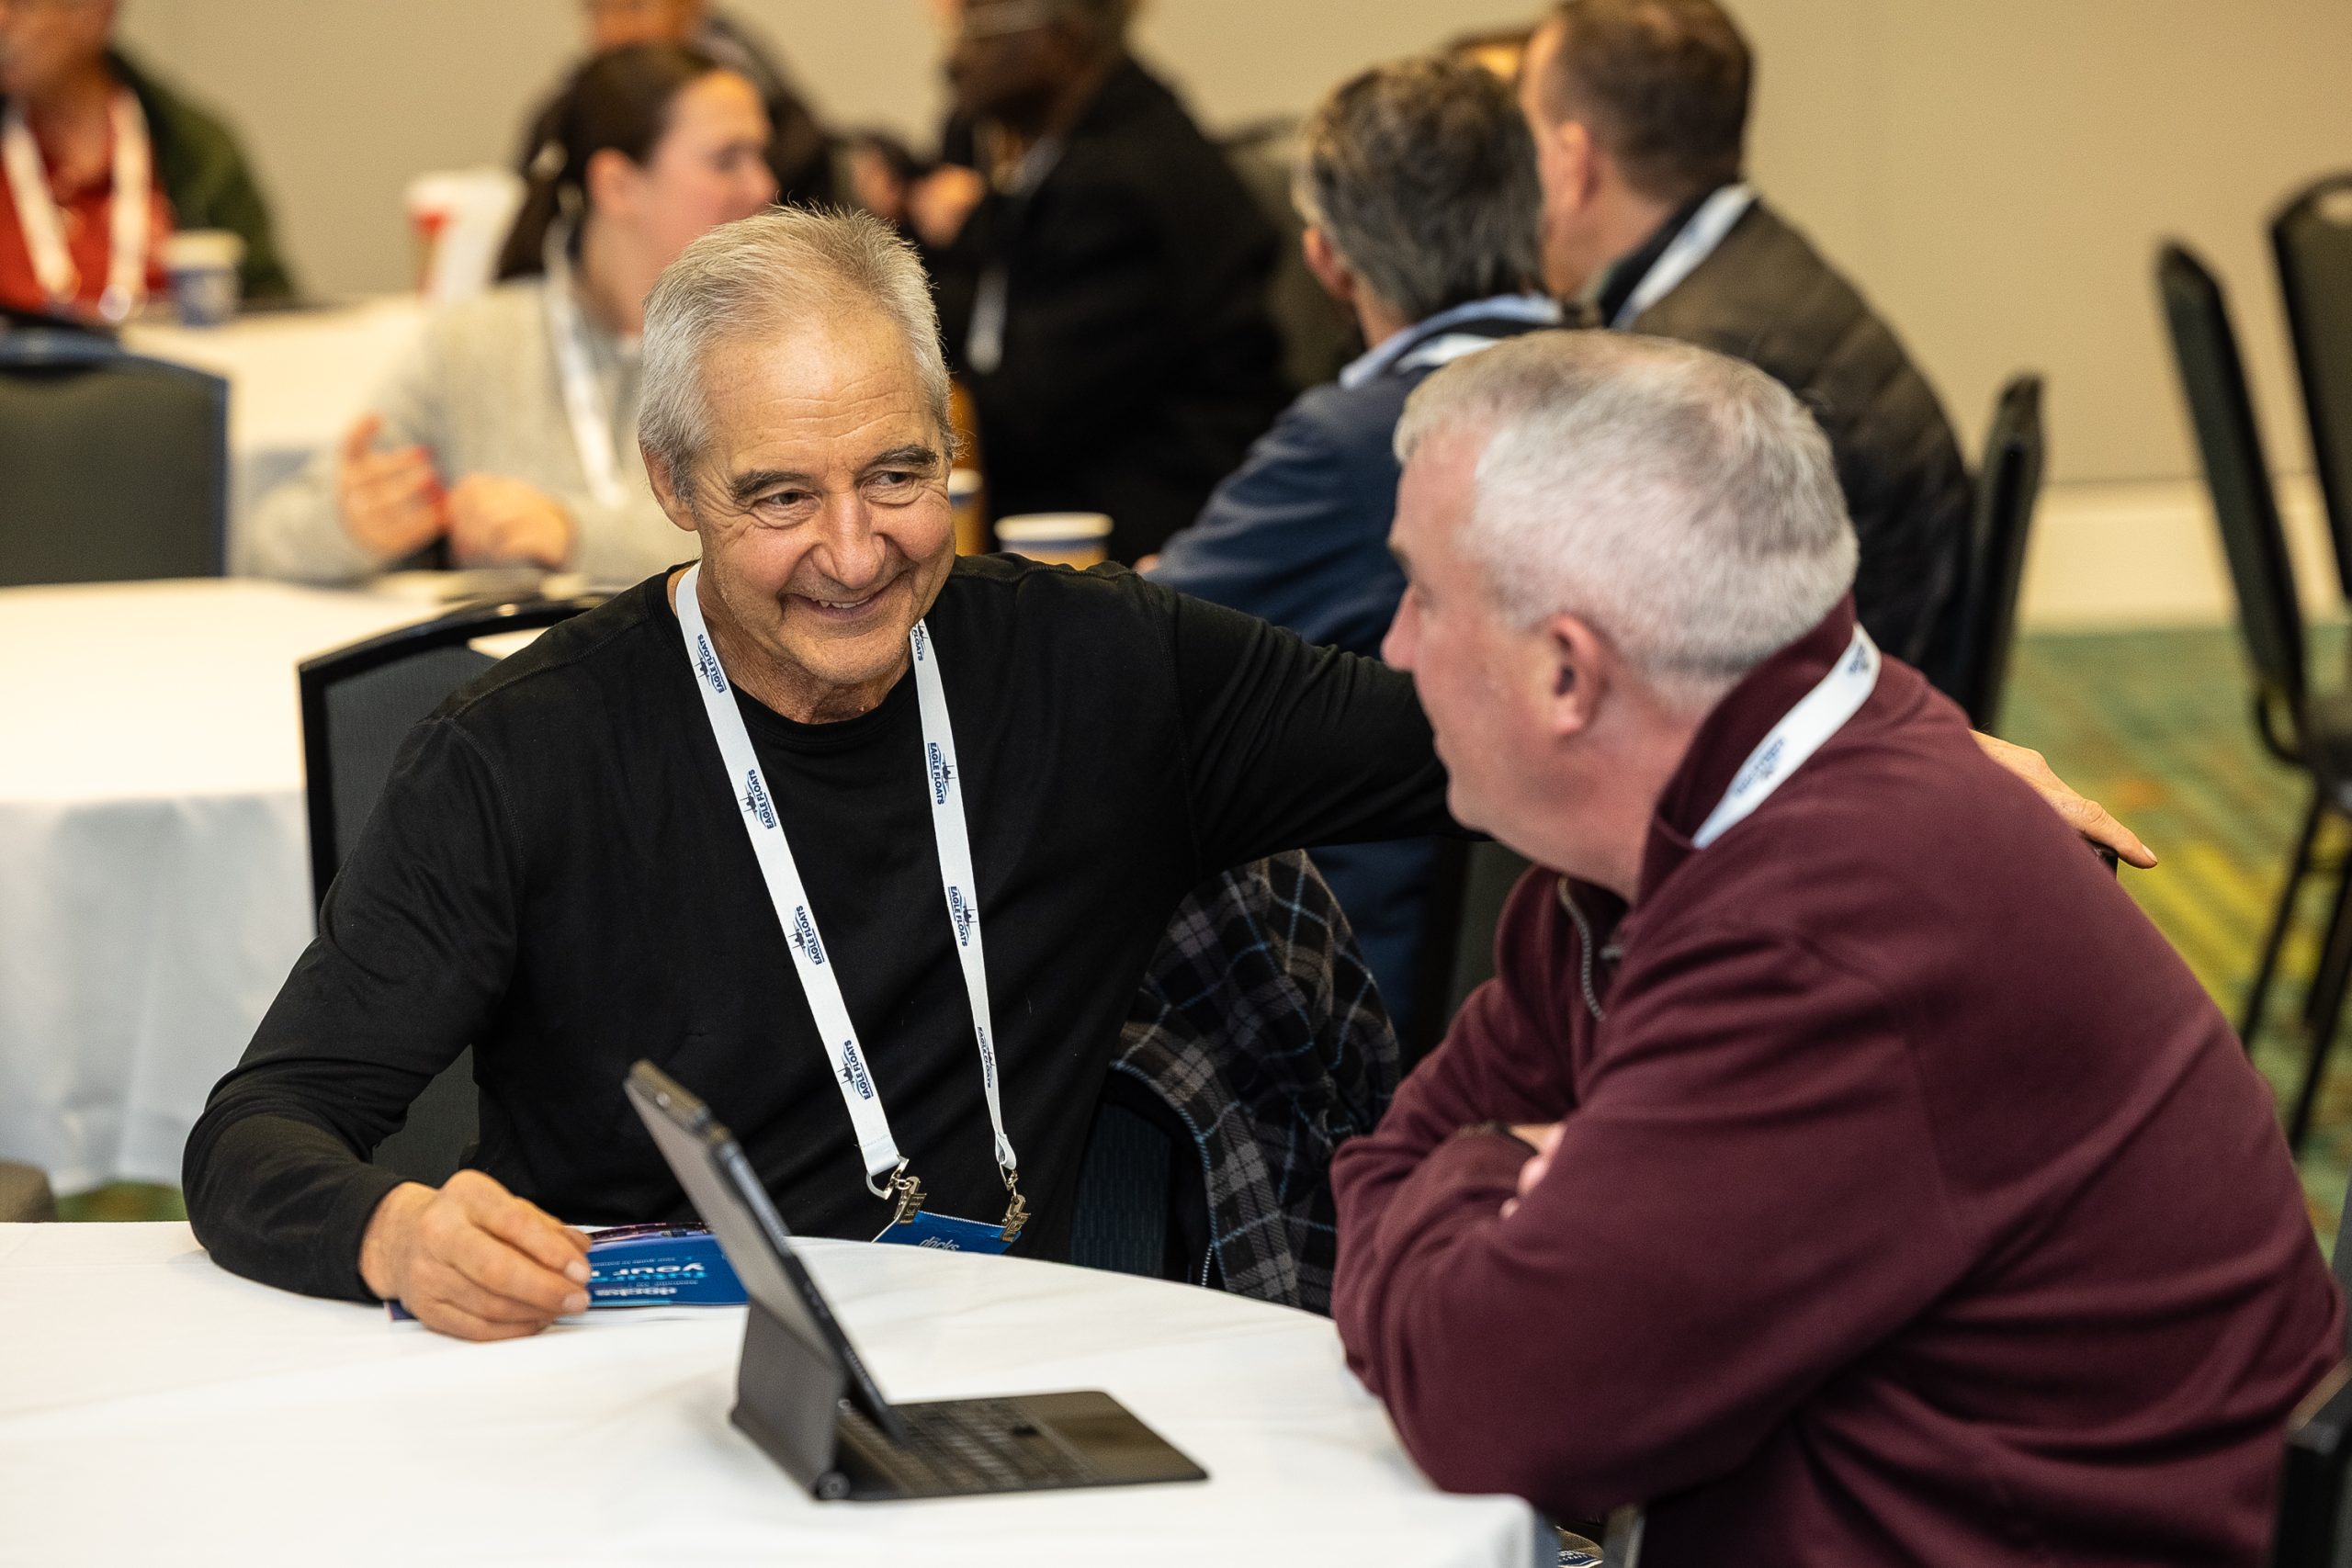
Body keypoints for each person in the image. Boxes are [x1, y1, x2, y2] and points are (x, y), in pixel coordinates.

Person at [184, 209, 2140, 1346]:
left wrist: (1894, 753)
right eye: (779, 497)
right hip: (641, 1394)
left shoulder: (1094, 665)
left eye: (900, 473)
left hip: (1013, 1386)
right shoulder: (522, 751)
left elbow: (1539, 720)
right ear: (674, 487)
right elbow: (262, 1128)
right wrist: (389, 1232)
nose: (855, 551)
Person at [1330, 331, 2339, 1565]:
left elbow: (1492, 1402)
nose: (1396, 646)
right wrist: (1504, 1185)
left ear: (1565, 673)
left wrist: (1482, 1164)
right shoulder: (1664, 848)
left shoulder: (1821, 928)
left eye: (1425, 597)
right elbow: (1384, 1169)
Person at [1148, 54, 1558, 1034]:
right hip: (1568, 955)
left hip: (1372, 981)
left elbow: (1149, 635)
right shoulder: (1629, 385)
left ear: (1327, 257)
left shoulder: (1355, 443)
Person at [1519, 0, 1973, 685]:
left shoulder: (1689, 365)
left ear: (1574, 161)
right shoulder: (1756, 263)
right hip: (1884, 679)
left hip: (1827, 722)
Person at [243, 45, 775, 585]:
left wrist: (573, 534)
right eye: (727, 160)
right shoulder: (476, 345)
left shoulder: (775, 347)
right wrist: (348, 526)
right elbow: (267, 543)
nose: (763, 186)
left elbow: (780, 539)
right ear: (617, 185)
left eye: (760, 156)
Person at [920, 0, 1288, 562]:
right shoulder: (1074, 150)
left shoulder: (1119, 184)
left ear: (1060, 39)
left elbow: (1026, 414)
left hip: (1148, 532)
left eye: (976, 31)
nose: (952, 62)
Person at [0, 0, 291, 324]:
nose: (1, 20)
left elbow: (271, 311)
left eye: (22, 5)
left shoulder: (194, 150)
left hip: (166, 355)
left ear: (95, 13)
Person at [557, 0, 835, 208]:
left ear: (691, 7)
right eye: (596, 10)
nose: (613, 30)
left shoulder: (757, 99)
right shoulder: (572, 101)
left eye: (636, 5)